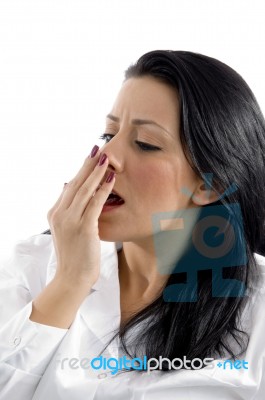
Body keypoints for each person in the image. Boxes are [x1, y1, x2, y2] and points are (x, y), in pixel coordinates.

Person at [0, 50, 265, 400]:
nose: (108, 158)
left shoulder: (257, 314)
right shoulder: (32, 266)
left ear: (209, 184)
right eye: (108, 135)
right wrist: (69, 282)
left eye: (146, 144)